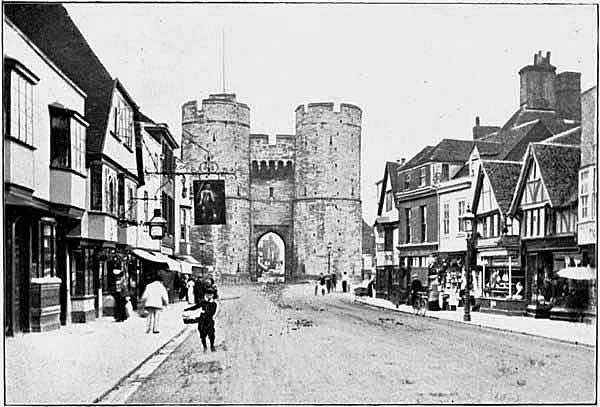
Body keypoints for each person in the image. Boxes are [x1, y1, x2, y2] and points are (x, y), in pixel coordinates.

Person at [186, 287, 218, 352]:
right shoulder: (203, 302)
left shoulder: (214, 304)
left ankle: (212, 346)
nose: (209, 296)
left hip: (209, 321)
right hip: (202, 321)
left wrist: (204, 312)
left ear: (213, 295)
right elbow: (196, 307)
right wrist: (187, 309)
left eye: (211, 294)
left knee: (211, 334)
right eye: (208, 294)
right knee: (202, 335)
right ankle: (205, 347)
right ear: (206, 295)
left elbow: (212, 312)